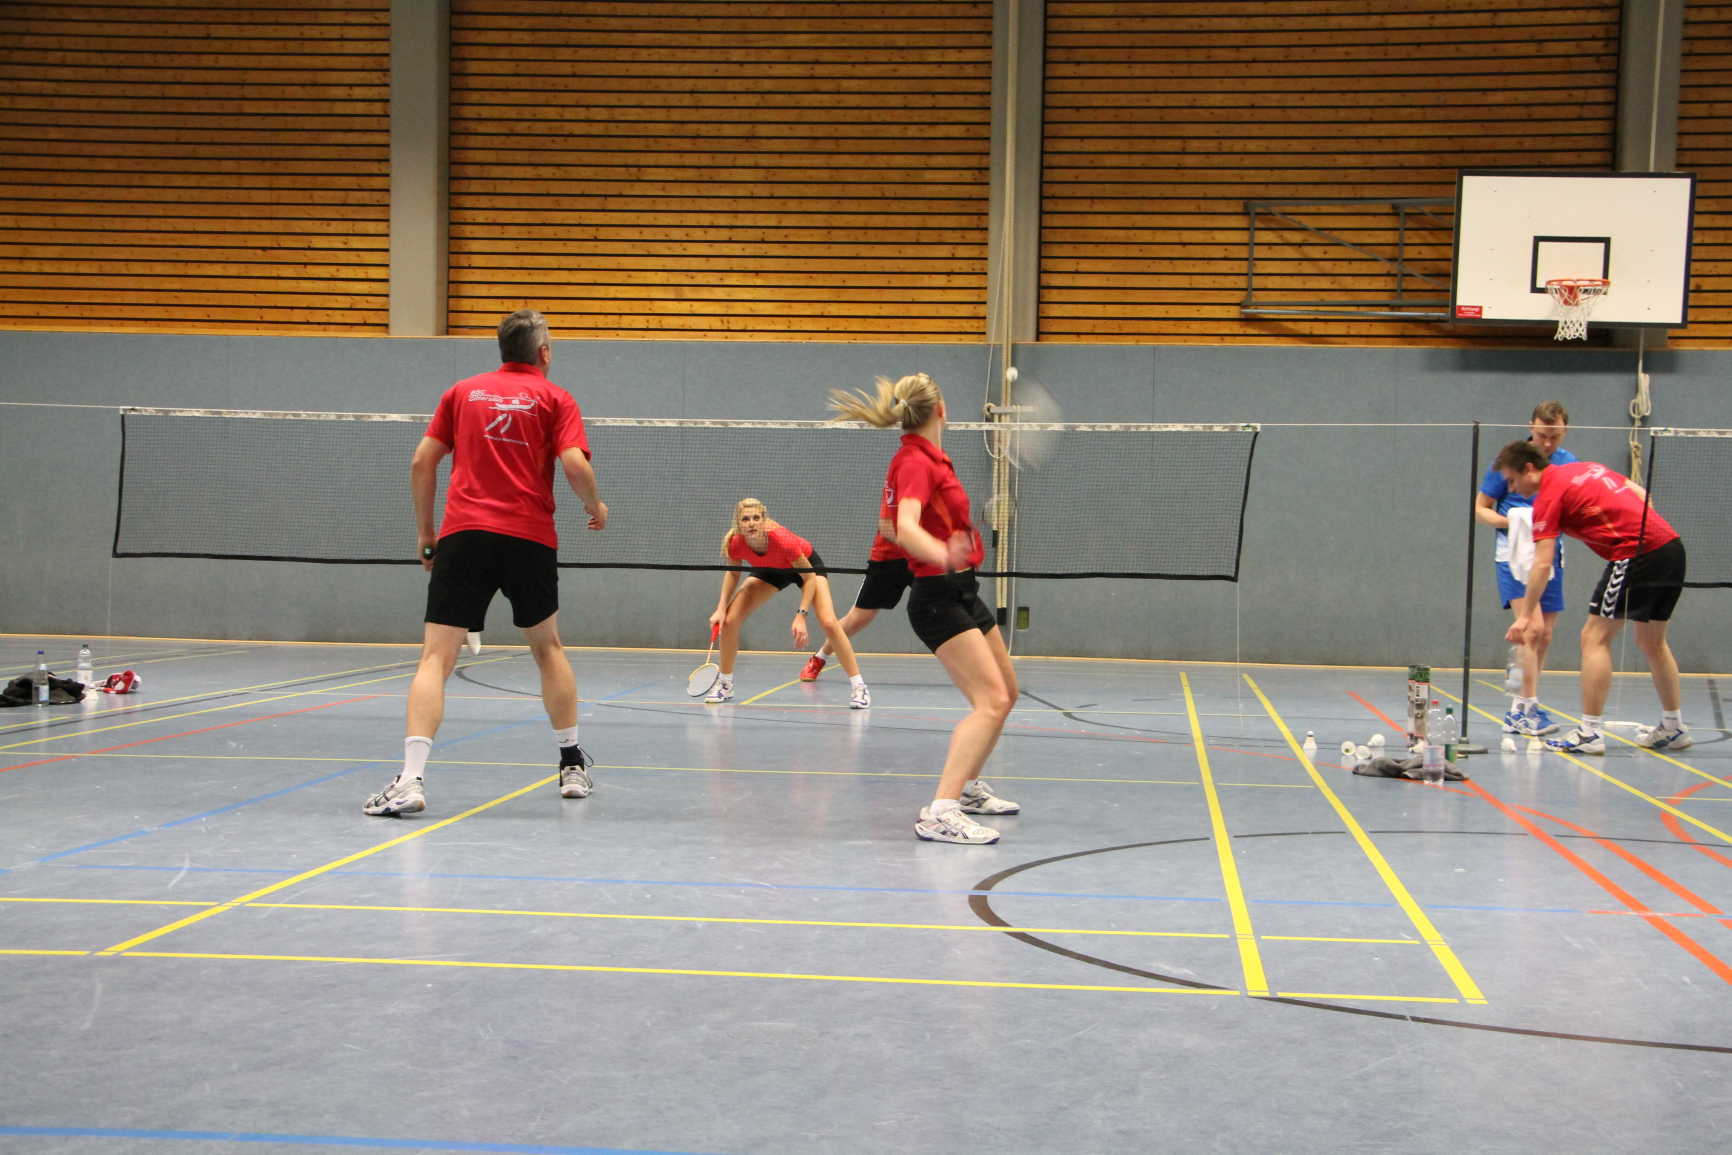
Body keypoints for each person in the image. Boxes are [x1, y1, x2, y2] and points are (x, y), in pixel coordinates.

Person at [364, 309, 609, 816]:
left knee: (435, 659)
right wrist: (595, 506)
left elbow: (422, 461)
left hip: (465, 536)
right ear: (543, 353)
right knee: (548, 649)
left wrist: (427, 534)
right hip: (529, 539)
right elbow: (573, 463)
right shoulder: (557, 398)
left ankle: (411, 779)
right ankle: (571, 765)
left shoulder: (462, 392)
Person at [829, 373, 1021, 844]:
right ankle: (941, 811)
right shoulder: (915, 461)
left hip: (964, 590)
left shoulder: (929, 458)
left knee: (1007, 692)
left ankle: (968, 789)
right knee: (991, 702)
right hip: (937, 596)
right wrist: (941, 553)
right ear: (941, 409)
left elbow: (896, 526)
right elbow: (905, 528)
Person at [1496, 441, 1691, 755]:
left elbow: (1542, 564)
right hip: (1670, 546)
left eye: (1512, 480)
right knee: (1652, 641)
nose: (1512, 488)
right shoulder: (1586, 468)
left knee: (1593, 637)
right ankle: (1673, 727)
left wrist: (1525, 615)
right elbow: (1641, 495)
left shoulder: (1548, 497)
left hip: (1635, 552)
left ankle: (1589, 733)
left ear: (1529, 468)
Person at [707, 498, 870, 710]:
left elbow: (809, 578)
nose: (752, 523)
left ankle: (859, 687)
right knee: (729, 620)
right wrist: (721, 608)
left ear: (764, 519)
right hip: (770, 570)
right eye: (745, 519)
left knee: (829, 623)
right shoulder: (736, 543)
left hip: (806, 568)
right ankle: (725, 684)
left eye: (756, 518)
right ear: (738, 523)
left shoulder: (782, 540)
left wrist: (801, 615)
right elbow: (732, 573)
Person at [1475, 401, 1577, 736]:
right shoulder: (1510, 461)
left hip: (1550, 551)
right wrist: (1516, 524)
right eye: (1542, 435)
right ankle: (1527, 709)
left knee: (1544, 634)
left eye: (1555, 436)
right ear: (1531, 426)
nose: (1548, 443)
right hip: (1514, 552)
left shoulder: (1567, 463)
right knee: (1530, 629)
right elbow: (1481, 508)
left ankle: (1521, 705)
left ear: (1565, 431)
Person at [798, 521, 911, 683]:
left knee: (943, 606)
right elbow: (886, 527)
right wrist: (920, 543)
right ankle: (819, 658)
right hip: (888, 561)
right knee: (857, 619)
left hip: (926, 560)